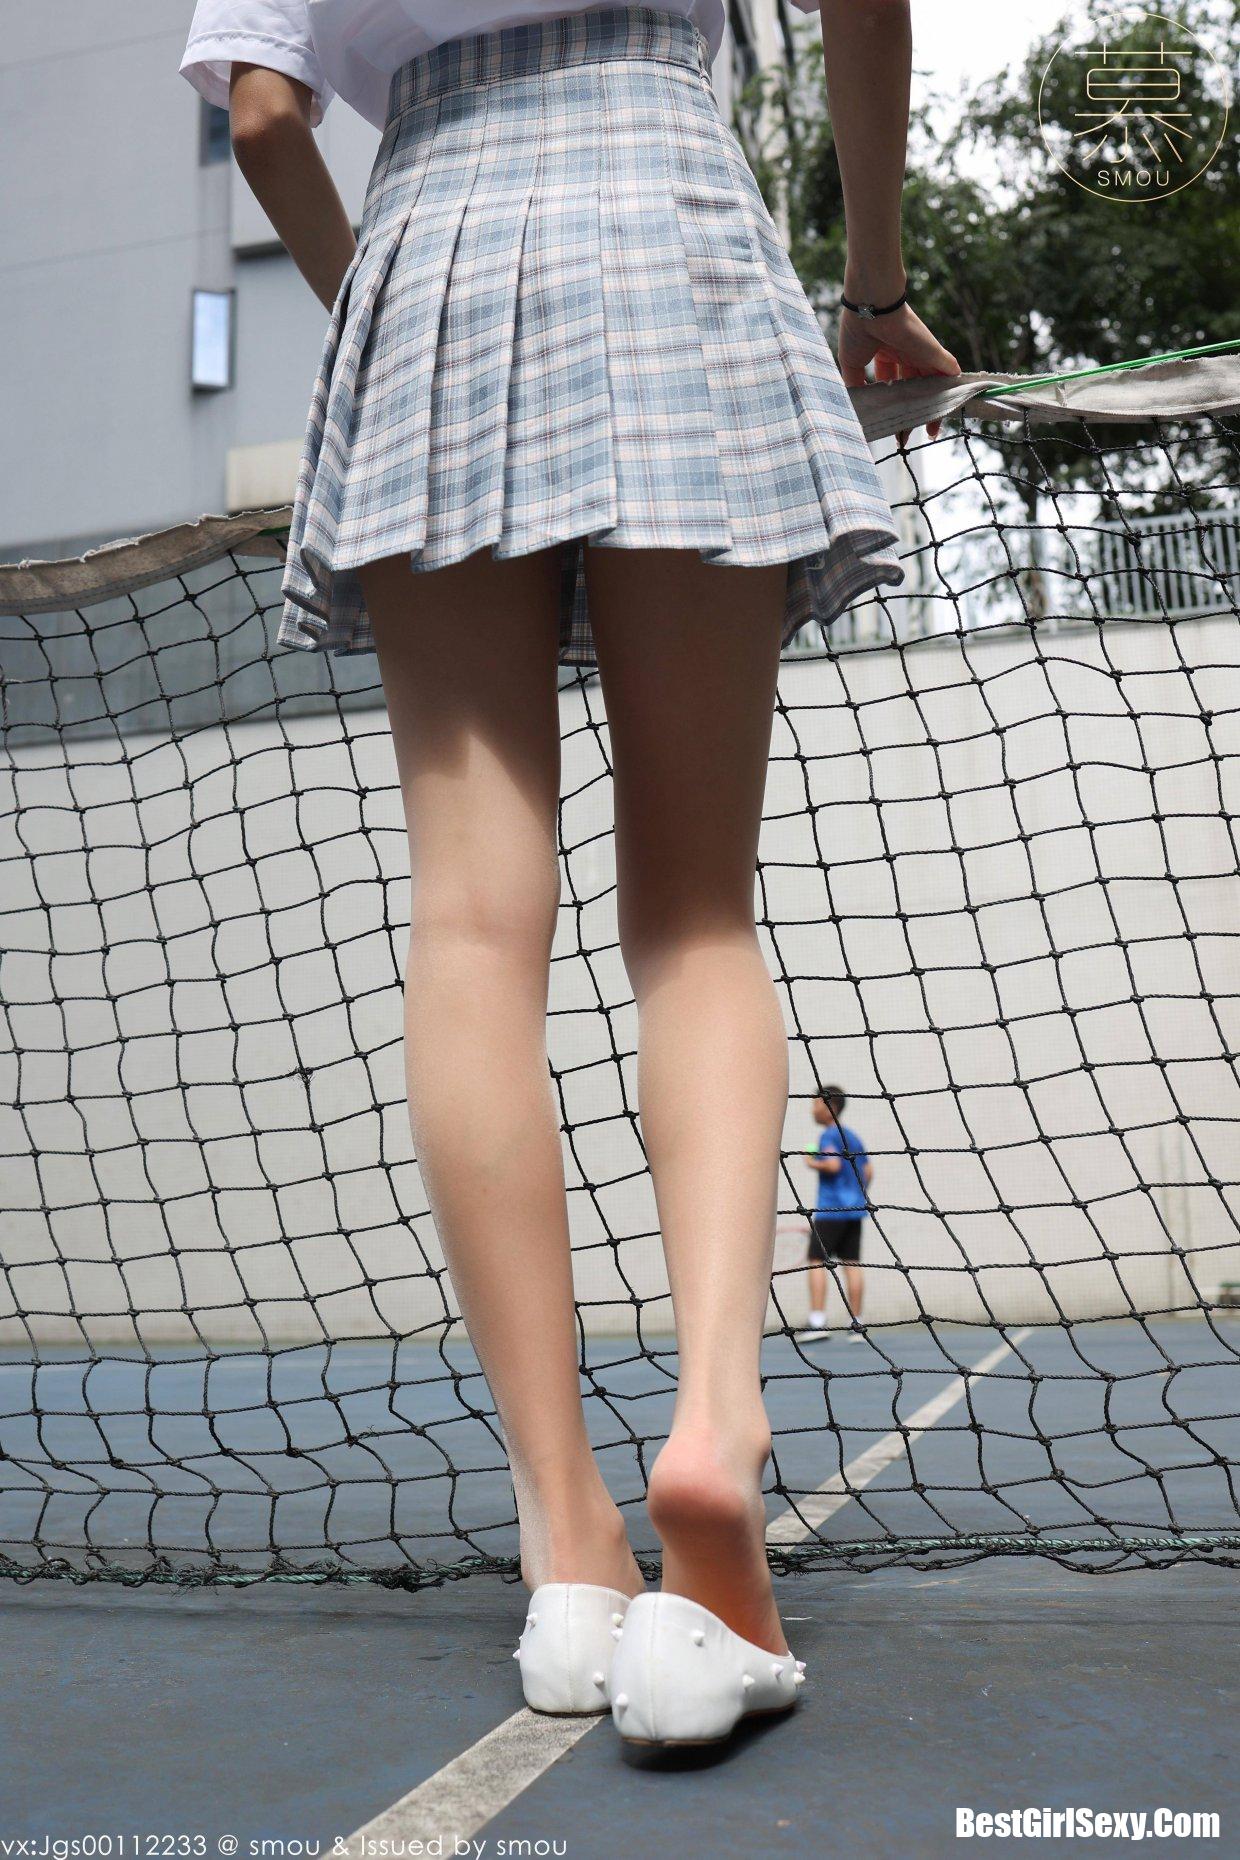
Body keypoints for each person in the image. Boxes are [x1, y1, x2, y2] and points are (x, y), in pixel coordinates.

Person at [180, 0, 958, 1747]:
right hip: (667, 216)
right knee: (694, 916)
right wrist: (874, 289)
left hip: (430, 256)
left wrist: (392, 310)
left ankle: (566, 1545)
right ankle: (713, 1429)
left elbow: (265, 119)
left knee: (468, 927)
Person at [802, 1085, 873, 1340]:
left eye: (816, 1103)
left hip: (831, 1211)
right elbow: (868, 1171)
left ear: (830, 1106)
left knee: (816, 1261)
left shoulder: (829, 1135)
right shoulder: (852, 1136)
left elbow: (832, 1165)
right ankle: (857, 1324)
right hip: (854, 1210)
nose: (812, 1109)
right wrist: (855, 1194)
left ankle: (817, 1322)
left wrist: (811, 1161)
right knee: (852, 1264)